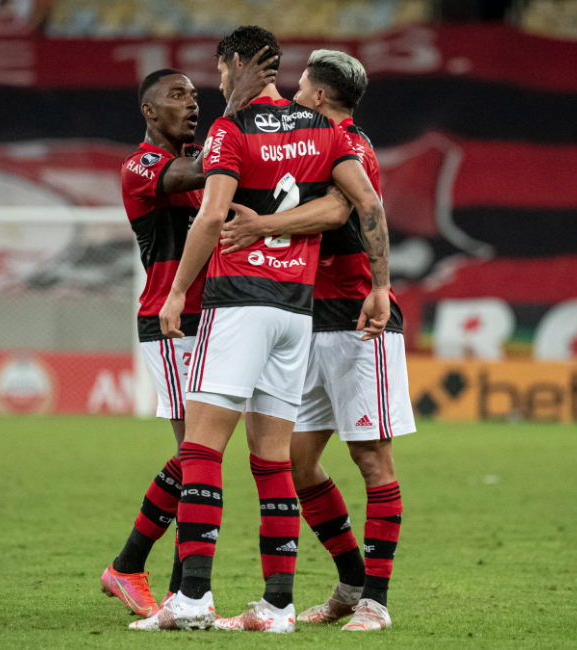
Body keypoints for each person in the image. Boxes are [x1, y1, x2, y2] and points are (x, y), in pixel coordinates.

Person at [131, 25, 391, 634]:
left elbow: (213, 216)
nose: (214, 85)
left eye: (220, 71)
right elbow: (367, 206)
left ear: (237, 65)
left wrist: (173, 294)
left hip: (239, 303)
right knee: (272, 463)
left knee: (199, 449)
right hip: (295, 313)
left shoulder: (230, 130)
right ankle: (277, 608)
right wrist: (381, 284)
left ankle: (192, 597)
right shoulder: (326, 131)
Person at [219, 49, 414, 632]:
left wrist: (380, 287)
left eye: (299, 87)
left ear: (320, 97)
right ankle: (351, 581)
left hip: (359, 320)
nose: (291, 97)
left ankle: (376, 602)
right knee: (297, 463)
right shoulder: (301, 146)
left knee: (371, 458)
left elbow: (343, 209)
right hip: (307, 318)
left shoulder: (348, 143)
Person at [100, 57, 280, 618]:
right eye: (179, 95)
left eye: (196, 95)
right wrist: (235, 110)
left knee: (200, 455)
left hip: (218, 320)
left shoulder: (200, 167)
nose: (193, 102)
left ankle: (158, 582)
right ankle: (135, 571)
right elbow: (200, 170)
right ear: (150, 111)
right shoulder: (141, 166)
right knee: (196, 454)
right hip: (170, 321)